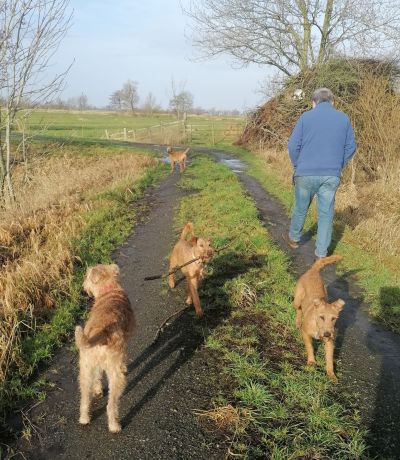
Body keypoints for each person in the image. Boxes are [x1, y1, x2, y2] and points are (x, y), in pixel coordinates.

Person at [286, 88, 357, 259]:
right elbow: (351, 147)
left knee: (301, 208)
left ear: (313, 102)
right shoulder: (343, 118)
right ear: (333, 102)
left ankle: (294, 238)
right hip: (331, 175)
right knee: (326, 214)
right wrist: (338, 165)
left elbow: (292, 145)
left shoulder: (305, 117)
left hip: (305, 173)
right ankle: (321, 252)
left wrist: (298, 165)